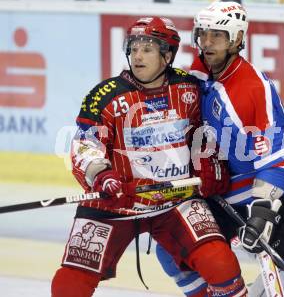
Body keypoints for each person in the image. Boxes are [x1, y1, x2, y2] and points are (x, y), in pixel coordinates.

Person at [155, 1, 284, 297]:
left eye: (217, 36)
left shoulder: (251, 88)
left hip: (272, 188)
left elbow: (280, 157)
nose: (207, 43)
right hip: (225, 191)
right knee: (174, 248)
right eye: (203, 34)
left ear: (236, 40)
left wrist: (262, 211)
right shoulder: (202, 69)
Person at [51, 16, 247, 297]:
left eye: (147, 49)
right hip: (115, 204)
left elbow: (203, 133)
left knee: (220, 262)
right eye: (133, 48)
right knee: (71, 283)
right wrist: (101, 176)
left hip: (175, 199)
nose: (137, 55)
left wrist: (209, 162)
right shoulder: (105, 96)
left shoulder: (189, 87)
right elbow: (85, 145)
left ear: (167, 55)